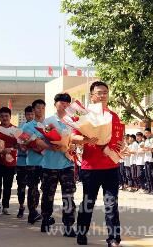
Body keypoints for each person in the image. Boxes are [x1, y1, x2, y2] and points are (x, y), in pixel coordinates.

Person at [74, 81, 124, 246]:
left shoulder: (114, 116)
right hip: (91, 168)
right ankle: (81, 233)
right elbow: (73, 137)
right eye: (99, 92)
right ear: (92, 96)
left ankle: (113, 238)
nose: (102, 95)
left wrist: (120, 146)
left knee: (111, 204)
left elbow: (119, 139)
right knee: (88, 202)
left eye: (105, 92)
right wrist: (87, 139)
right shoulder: (84, 116)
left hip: (111, 167)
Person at [40, 93, 76, 237]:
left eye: (67, 103)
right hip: (50, 164)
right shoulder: (48, 121)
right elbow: (39, 141)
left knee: (68, 196)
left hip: (67, 163)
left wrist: (74, 146)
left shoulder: (73, 121)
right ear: (55, 104)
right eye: (62, 103)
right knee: (48, 195)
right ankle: (46, 219)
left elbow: (76, 139)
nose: (65, 105)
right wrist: (49, 146)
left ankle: (68, 225)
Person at [22, 99, 51, 224]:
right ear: (33, 110)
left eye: (43, 108)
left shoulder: (49, 125)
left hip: (47, 162)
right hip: (33, 162)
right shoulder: (27, 126)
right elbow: (23, 144)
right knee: (33, 188)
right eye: (38, 108)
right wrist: (33, 144)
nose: (41, 110)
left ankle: (45, 215)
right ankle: (32, 213)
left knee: (46, 189)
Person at [15, 105, 33, 218]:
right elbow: (16, 143)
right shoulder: (20, 128)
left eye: (32, 114)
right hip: (21, 162)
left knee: (33, 188)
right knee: (21, 187)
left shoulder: (39, 127)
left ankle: (33, 210)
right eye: (28, 114)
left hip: (34, 162)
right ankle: (21, 206)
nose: (30, 116)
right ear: (25, 115)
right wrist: (20, 146)